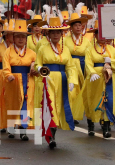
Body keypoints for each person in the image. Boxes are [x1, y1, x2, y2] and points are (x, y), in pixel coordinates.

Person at [34, 14, 78, 148]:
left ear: (61, 33)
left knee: (59, 107)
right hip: (48, 80)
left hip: (62, 81)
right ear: (48, 33)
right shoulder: (42, 48)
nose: (56, 35)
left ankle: (54, 133)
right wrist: (40, 68)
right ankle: (51, 135)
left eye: (58, 32)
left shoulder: (66, 49)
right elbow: (37, 64)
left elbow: (70, 66)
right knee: (50, 106)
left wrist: (72, 79)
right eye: (53, 32)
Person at [83, 20, 115, 137]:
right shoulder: (90, 49)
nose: (101, 36)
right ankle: (91, 126)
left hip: (109, 79)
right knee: (92, 101)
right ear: (95, 35)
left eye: (104, 33)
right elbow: (88, 63)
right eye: (98, 33)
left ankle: (106, 127)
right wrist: (92, 73)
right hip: (94, 79)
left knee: (108, 101)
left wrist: (111, 62)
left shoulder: (112, 50)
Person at [1, 19, 36, 141]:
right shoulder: (8, 52)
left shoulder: (31, 53)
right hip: (13, 81)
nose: (21, 39)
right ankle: (11, 127)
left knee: (26, 105)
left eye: (23, 37)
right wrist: (8, 75)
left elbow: (35, 65)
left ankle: (23, 129)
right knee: (12, 104)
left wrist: (34, 68)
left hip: (27, 81)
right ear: (13, 38)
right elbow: (6, 67)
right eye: (18, 37)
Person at [64, 12, 91, 120]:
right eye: (75, 25)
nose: (78, 27)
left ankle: (77, 112)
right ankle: (70, 113)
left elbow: (89, 54)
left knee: (81, 90)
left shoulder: (86, 41)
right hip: (70, 66)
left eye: (80, 25)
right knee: (72, 89)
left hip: (83, 66)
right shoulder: (65, 40)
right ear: (71, 28)